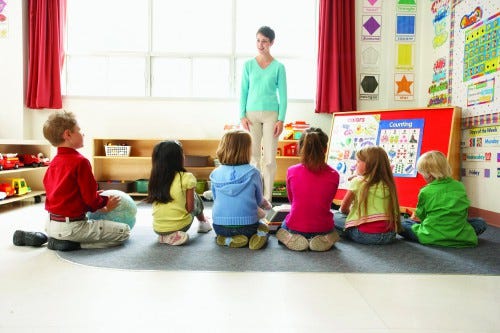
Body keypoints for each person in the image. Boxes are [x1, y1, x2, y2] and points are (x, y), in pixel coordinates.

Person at [13, 110, 130, 251]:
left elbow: (62, 195)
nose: (83, 134)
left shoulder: (54, 162)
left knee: (63, 231)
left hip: (51, 223)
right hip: (73, 227)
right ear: (68, 134)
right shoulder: (80, 162)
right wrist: (105, 204)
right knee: (124, 232)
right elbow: (91, 200)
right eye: (79, 131)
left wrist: (87, 196)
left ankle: (44, 237)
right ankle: (72, 244)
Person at [399, 150, 487, 247]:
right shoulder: (459, 186)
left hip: (431, 235)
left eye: (422, 174)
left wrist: (414, 218)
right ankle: (459, 236)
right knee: (480, 222)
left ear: (429, 175)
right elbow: (463, 213)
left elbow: (422, 217)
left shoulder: (425, 191)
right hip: (459, 234)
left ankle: (441, 237)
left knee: (403, 224)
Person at [240, 25, 287, 202]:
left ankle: (267, 198)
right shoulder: (248, 65)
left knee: (269, 158)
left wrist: (281, 119)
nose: (260, 45)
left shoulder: (278, 67)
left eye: (264, 41)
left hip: (271, 115)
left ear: (271, 43)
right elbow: (243, 91)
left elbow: (283, 96)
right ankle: (254, 196)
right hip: (251, 115)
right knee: (253, 157)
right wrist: (241, 115)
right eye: (258, 40)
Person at [276, 127, 341, 251]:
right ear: (325, 149)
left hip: (295, 228)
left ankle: (292, 238)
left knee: (283, 225)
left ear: (300, 148)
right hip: (323, 229)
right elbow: (326, 202)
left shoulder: (291, 171)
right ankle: (325, 239)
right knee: (336, 223)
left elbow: (292, 200)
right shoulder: (334, 174)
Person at [209, 129, 271, 250]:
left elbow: (215, 198)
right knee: (263, 225)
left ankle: (226, 239)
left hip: (220, 227)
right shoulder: (254, 173)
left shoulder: (215, 173)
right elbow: (258, 201)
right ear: (247, 150)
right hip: (248, 227)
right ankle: (257, 237)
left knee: (225, 231)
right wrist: (266, 205)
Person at [146, 140, 212, 246]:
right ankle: (203, 223)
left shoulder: (155, 179)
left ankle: (165, 236)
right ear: (178, 158)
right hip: (180, 225)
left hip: (158, 228)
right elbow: (190, 208)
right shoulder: (187, 177)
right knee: (196, 198)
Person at [333, 146, 401, 245]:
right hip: (390, 235)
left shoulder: (357, 181)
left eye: (358, 162)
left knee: (334, 216)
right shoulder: (388, 183)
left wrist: (351, 214)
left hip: (365, 236)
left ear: (369, 164)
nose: (356, 164)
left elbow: (343, 208)